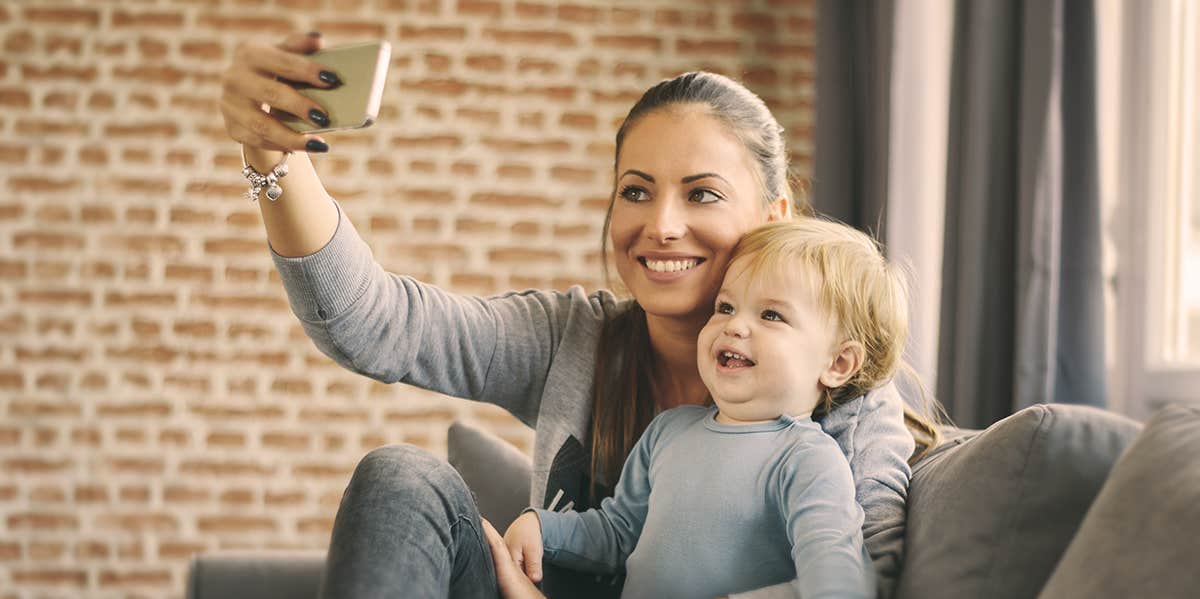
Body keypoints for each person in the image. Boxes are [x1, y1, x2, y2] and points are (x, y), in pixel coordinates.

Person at [219, 31, 939, 599]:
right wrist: (275, 158)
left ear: (774, 215)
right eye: (636, 190)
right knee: (403, 475)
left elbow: (867, 576)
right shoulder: (578, 339)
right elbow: (374, 324)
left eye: (702, 194)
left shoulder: (839, 394)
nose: (661, 224)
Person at [501, 218, 911, 599]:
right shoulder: (668, 431)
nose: (734, 325)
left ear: (837, 364)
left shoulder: (807, 460)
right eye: (725, 307)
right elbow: (618, 532)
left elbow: (838, 583)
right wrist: (544, 529)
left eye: (771, 315)